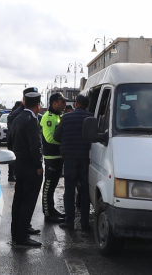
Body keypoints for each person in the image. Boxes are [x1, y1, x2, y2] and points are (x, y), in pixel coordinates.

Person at [8, 92, 44, 247]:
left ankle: (16, 232)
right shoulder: (31, 120)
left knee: (19, 200)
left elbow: (10, 141)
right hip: (30, 167)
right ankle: (22, 236)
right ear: (37, 105)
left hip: (19, 164)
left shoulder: (17, 118)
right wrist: (38, 165)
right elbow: (35, 145)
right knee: (28, 202)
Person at [54, 94, 93, 231]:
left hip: (69, 158)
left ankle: (69, 222)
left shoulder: (66, 118)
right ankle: (84, 223)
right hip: (86, 158)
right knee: (85, 190)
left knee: (69, 190)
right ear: (86, 105)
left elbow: (56, 136)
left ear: (76, 103)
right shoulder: (91, 118)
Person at [40, 92, 68, 223]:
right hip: (51, 156)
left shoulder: (59, 116)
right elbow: (50, 138)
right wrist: (66, 143)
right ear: (54, 103)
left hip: (59, 155)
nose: (65, 104)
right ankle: (47, 213)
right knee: (49, 185)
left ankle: (52, 209)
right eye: (62, 102)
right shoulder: (49, 117)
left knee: (54, 185)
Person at [7, 88, 38, 182]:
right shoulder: (17, 114)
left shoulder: (32, 113)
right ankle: (11, 175)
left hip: (28, 159)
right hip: (21, 158)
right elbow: (12, 137)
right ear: (24, 99)